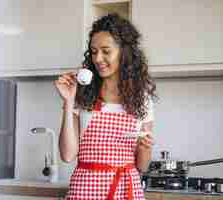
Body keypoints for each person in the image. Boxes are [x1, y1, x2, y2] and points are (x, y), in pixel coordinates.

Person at [54, 13, 157, 200]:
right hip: (85, 190)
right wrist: (69, 101)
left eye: (106, 51)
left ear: (124, 52)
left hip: (125, 189)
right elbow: (67, 155)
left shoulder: (141, 98)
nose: (98, 58)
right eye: (94, 51)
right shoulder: (83, 94)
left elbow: (142, 166)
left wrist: (146, 148)